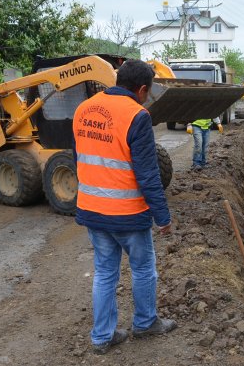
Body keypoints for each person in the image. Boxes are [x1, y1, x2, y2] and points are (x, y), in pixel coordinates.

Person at [73, 59, 176, 355]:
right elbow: (148, 173)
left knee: (105, 273)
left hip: (92, 209)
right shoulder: (137, 115)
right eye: (149, 91)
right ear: (142, 89)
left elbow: (78, 155)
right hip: (127, 213)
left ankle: (102, 337)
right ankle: (145, 323)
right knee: (143, 269)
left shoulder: (84, 108)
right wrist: (162, 215)